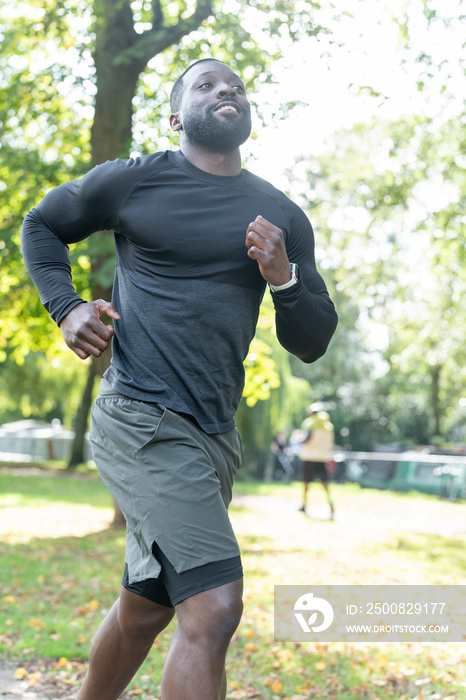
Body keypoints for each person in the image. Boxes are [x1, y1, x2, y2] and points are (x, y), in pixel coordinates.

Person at [21, 58, 338, 700]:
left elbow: (312, 341)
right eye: (207, 84)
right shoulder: (135, 182)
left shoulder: (280, 215)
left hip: (213, 436)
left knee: (149, 607)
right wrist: (67, 306)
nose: (227, 88)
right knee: (215, 606)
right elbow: (42, 226)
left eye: (236, 85)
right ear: (175, 116)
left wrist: (285, 280)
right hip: (140, 418)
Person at [298, 403, 335, 518]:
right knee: (325, 483)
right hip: (322, 458)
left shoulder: (310, 423)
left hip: (310, 457)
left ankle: (304, 505)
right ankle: (331, 505)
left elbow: (306, 439)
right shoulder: (328, 426)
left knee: (306, 483)